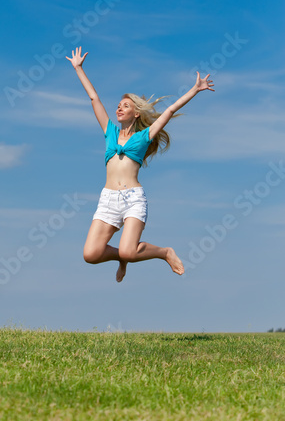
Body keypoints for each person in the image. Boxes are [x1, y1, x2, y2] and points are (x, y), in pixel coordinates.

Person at [66, 47, 215, 282]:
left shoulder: (144, 136)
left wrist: (195, 90)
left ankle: (164, 252)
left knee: (129, 249)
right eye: (118, 105)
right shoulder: (109, 132)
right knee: (91, 254)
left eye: (125, 105)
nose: (119, 107)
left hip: (132, 198)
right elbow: (94, 98)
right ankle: (123, 258)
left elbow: (170, 110)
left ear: (136, 113)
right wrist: (78, 68)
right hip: (108, 200)